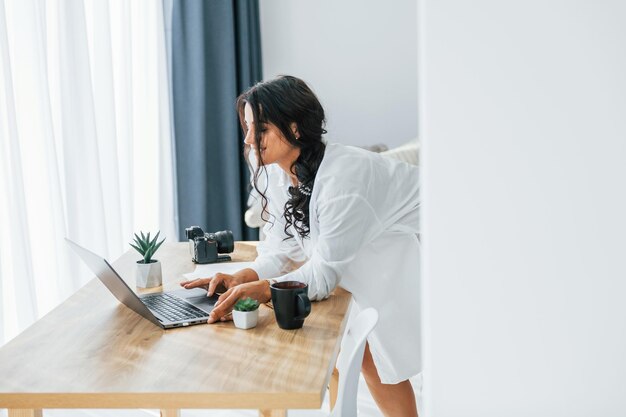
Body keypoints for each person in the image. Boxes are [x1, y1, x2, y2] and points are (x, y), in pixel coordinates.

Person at [180, 75, 420, 417]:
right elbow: (281, 247)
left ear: (294, 127)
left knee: (386, 349)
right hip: (377, 233)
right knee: (367, 352)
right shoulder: (273, 169)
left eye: (260, 128)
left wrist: (263, 289)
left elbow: (322, 275)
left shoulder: (344, 180)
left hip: (446, 235)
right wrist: (244, 276)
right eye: (247, 127)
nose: (249, 139)